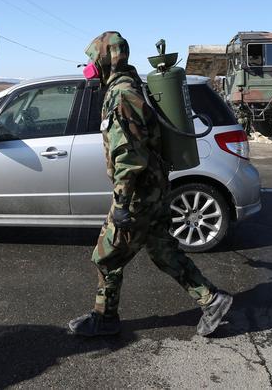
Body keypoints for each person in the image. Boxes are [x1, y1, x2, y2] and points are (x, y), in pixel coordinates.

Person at [68, 31, 232, 338]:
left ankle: (105, 319)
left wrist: (120, 205)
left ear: (104, 59)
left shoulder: (121, 96)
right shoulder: (133, 86)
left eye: (92, 60)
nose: (90, 68)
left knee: (105, 257)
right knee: (161, 249)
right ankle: (213, 301)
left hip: (138, 195)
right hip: (154, 189)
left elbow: (128, 157)